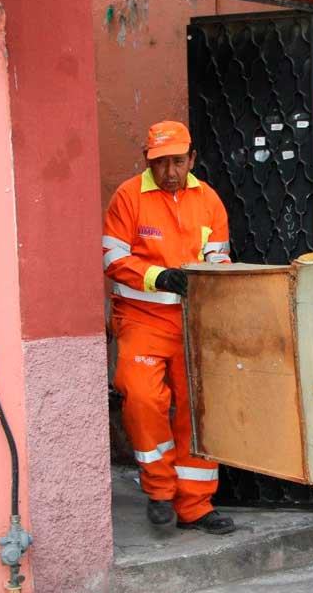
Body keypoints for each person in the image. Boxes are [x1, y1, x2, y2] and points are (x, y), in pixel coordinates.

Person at [102, 120, 235, 535]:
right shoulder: (128, 196)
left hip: (193, 321)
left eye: (178, 161)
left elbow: (219, 258)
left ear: (191, 159)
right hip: (142, 319)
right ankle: (159, 489)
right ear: (148, 161)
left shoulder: (208, 199)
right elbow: (113, 259)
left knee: (200, 410)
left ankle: (194, 504)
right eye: (161, 163)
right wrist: (159, 277)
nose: (170, 171)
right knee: (141, 397)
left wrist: (215, 275)